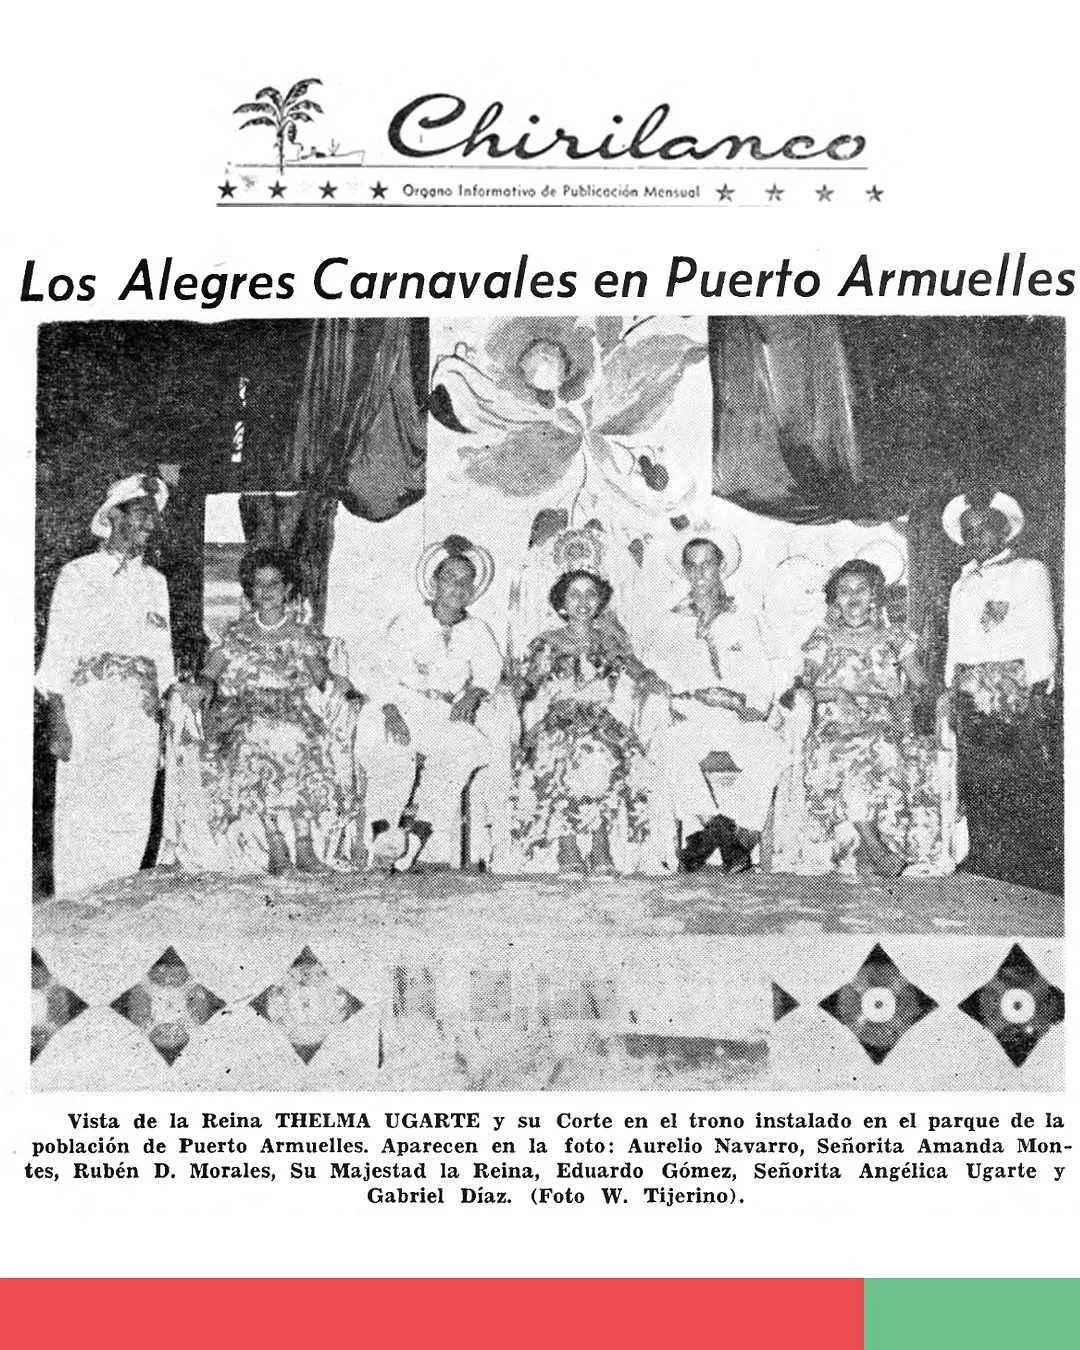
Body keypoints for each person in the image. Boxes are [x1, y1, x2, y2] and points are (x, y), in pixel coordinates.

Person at [36, 473, 175, 895]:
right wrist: (57, 719)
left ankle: (118, 916)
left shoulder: (156, 583)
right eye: (142, 515)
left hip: (139, 714)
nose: (150, 526)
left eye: (154, 518)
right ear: (114, 516)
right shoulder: (77, 575)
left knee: (132, 814)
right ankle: (76, 915)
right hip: (88, 709)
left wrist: (168, 713)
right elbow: (58, 652)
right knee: (83, 812)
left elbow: (162, 658)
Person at [185, 548, 355, 875]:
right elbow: (211, 672)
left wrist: (338, 684)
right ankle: (275, 841)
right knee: (255, 734)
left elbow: (321, 675)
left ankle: (304, 845)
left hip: (290, 707)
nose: (267, 591)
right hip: (247, 709)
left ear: (288, 588)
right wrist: (202, 686)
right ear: (250, 590)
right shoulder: (237, 632)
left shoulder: (301, 633)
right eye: (259, 584)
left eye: (274, 583)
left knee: (299, 737)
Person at [781, 558, 951, 879]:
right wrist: (836, 695)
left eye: (862, 589)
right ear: (835, 598)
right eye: (845, 590)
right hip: (835, 723)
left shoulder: (895, 637)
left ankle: (866, 844)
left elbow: (922, 684)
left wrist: (913, 698)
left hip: (884, 722)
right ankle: (874, 847)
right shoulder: (823, 639)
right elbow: (798, 692)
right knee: (853, 747)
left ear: (875, 595)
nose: (854, 597)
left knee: (880, 744)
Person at [644, 531, 783, 873]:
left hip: (737, 717)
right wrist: (675, 697)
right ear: (684, 571)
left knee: (771, 748)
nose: (700, 573)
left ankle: (724, 837)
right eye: (692, 566)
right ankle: (724, 834)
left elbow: (763, 682)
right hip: (690, 717)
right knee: (670, 744)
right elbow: (656, 675)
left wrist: (737, 700)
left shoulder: (743, 619)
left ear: (721, 567)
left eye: (707, 564)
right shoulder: (670, 622)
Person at [362, 535, 504, 869]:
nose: (457, 587)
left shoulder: (478, 629)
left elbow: (489, 669)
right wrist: (391, 710)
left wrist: (473, 693)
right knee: (391, 750)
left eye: (465, 582)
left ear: (473, 590)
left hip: (442, 711)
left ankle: (414, 836)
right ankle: (383, 836)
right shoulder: (408, 622)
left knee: (463, 749)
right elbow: (381, 670)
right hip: (399, 704)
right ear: (434, 583)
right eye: (449, 579)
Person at [510, 569, 664, 873]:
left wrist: (651, 680)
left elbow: (637, 669)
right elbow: (528, 685)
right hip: (559, 719)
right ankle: (566, 844)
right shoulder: (546, 642)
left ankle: (600, 842)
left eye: (590, 594)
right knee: (561, 749)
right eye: (575, 595)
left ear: (600, 602)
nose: (583, 601)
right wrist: (517, 686)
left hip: (600, 719)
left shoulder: (611, 641)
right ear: (562, 604)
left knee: (604, 750)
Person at [940, 490, 1059, 879]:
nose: (976, 537)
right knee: (976, 779)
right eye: (968, 531)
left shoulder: (1028, 570)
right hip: (968, 692)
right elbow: (957, 643)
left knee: (1017, 779)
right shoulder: (961, 584)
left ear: (1004, 531)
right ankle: (984, 860)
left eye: (985, 529)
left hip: (1013, 692)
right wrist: (949, 688)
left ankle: (1023, 868)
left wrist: (1038, 690)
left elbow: (1042, 637)